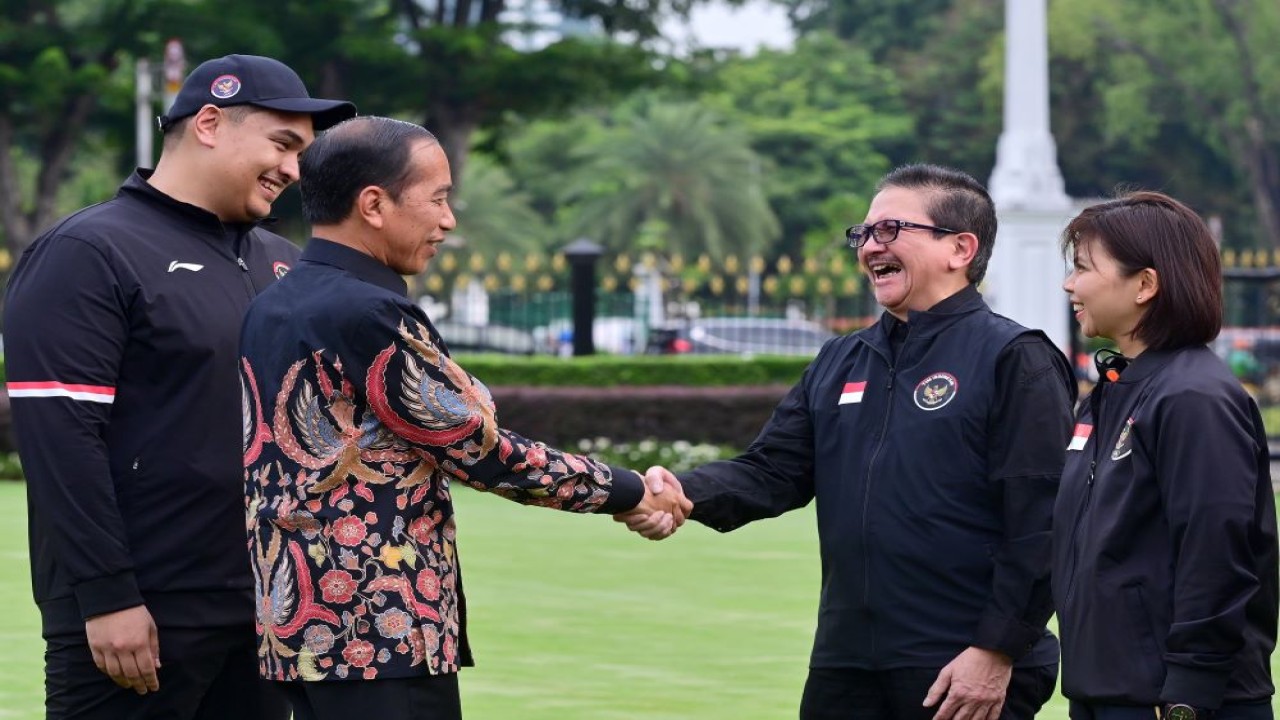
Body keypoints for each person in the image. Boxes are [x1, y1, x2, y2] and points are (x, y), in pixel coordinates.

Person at [237, 115, 691, 720]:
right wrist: (629, 489)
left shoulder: (274, 303)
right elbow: (480, 450)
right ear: (374, 204)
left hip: (299, 627)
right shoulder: (367, 312)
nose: (448, 221)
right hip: (378, 626)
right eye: (438, 199)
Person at [622, 164, 1076, 720]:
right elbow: (773, 471)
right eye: (862, 234)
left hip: (958, 661)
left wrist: (997, 648)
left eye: (889, 230)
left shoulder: (1014, 357)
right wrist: (683, 492)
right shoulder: (843, 359)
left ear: (960, 248)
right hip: (848, 660)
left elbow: (1043, 520)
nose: (868, 247)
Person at [3, 54, 355, 719]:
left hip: (264, 614)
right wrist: (107, 597)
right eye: (283, 145)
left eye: (303, 154)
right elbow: (61, 442)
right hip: (140, 621)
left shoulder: (284, 262)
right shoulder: (88, 252)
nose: (294, 170)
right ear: (211, 123)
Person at [1054, 191, 1278, 720]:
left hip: (1176, 699)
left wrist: (1188, 692)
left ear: (1145, 285)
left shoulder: (1192, 397)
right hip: (1108, 689)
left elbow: (1217, 552)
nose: (1069, 284)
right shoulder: (1117, 388)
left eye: (1083, 268)